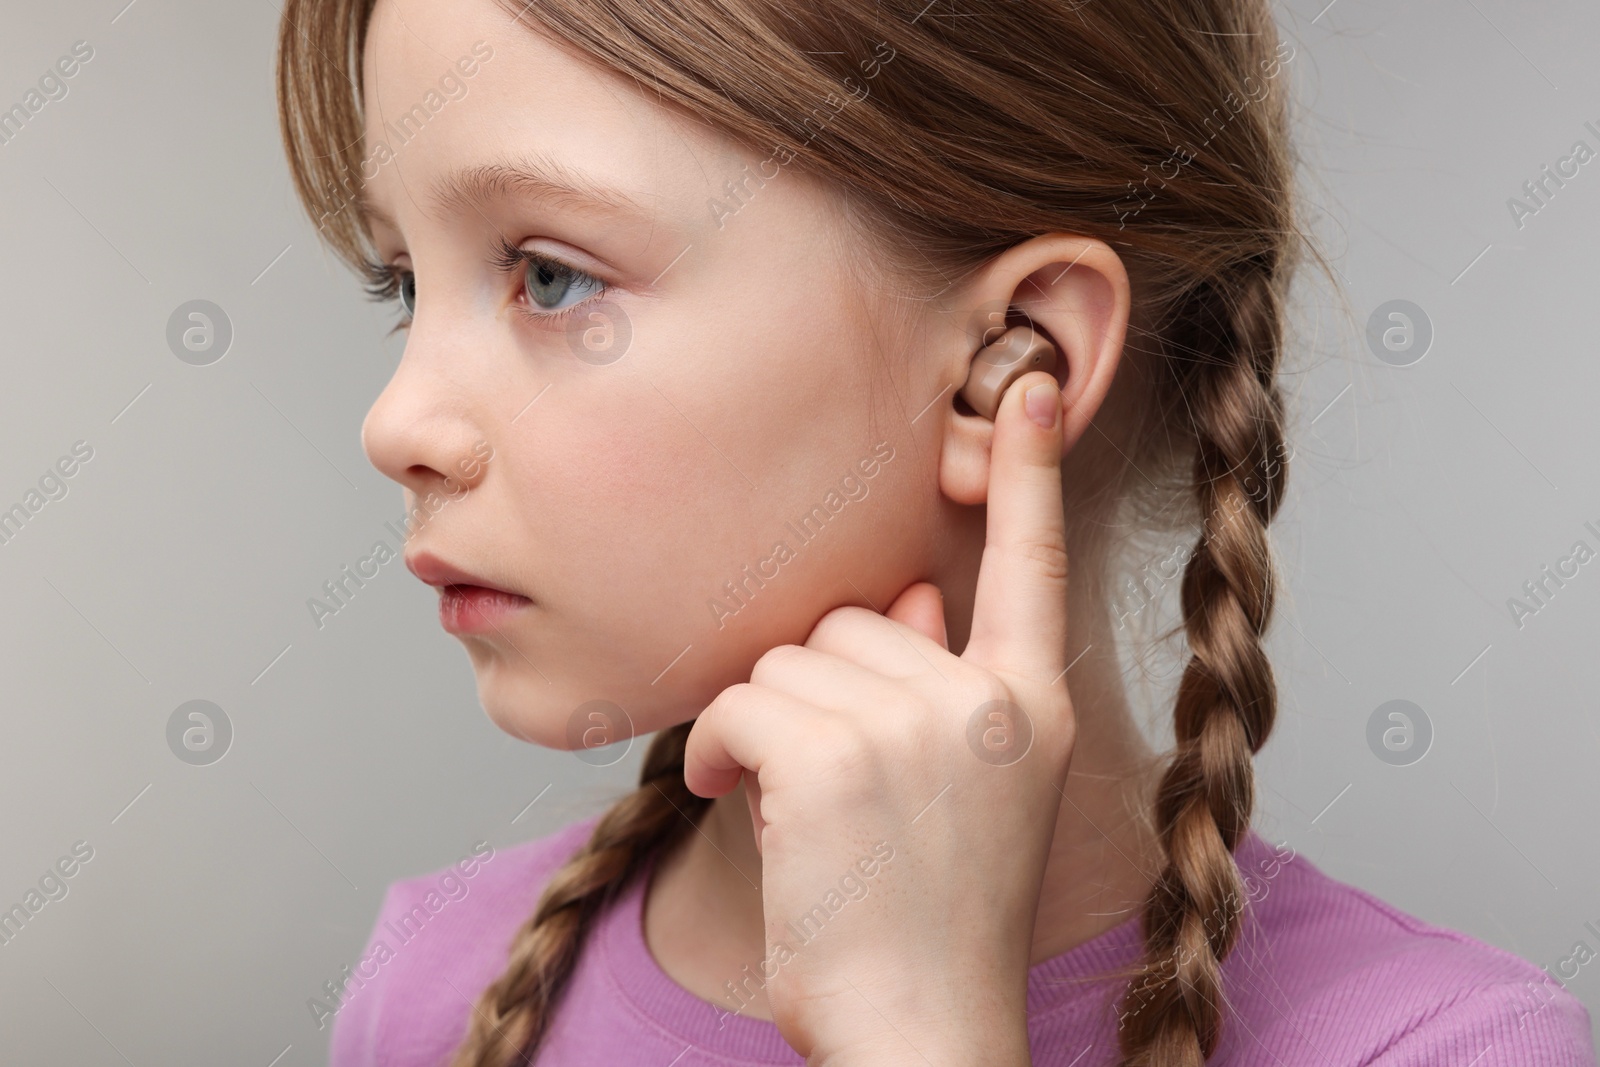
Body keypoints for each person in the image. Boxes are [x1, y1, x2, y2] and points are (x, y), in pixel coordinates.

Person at [274, 0, 1597, 1063]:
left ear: (1009, 366)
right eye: (404, 281)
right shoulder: (431, 990)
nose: (397, 423)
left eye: (551, 276)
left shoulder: (1444, 1047)